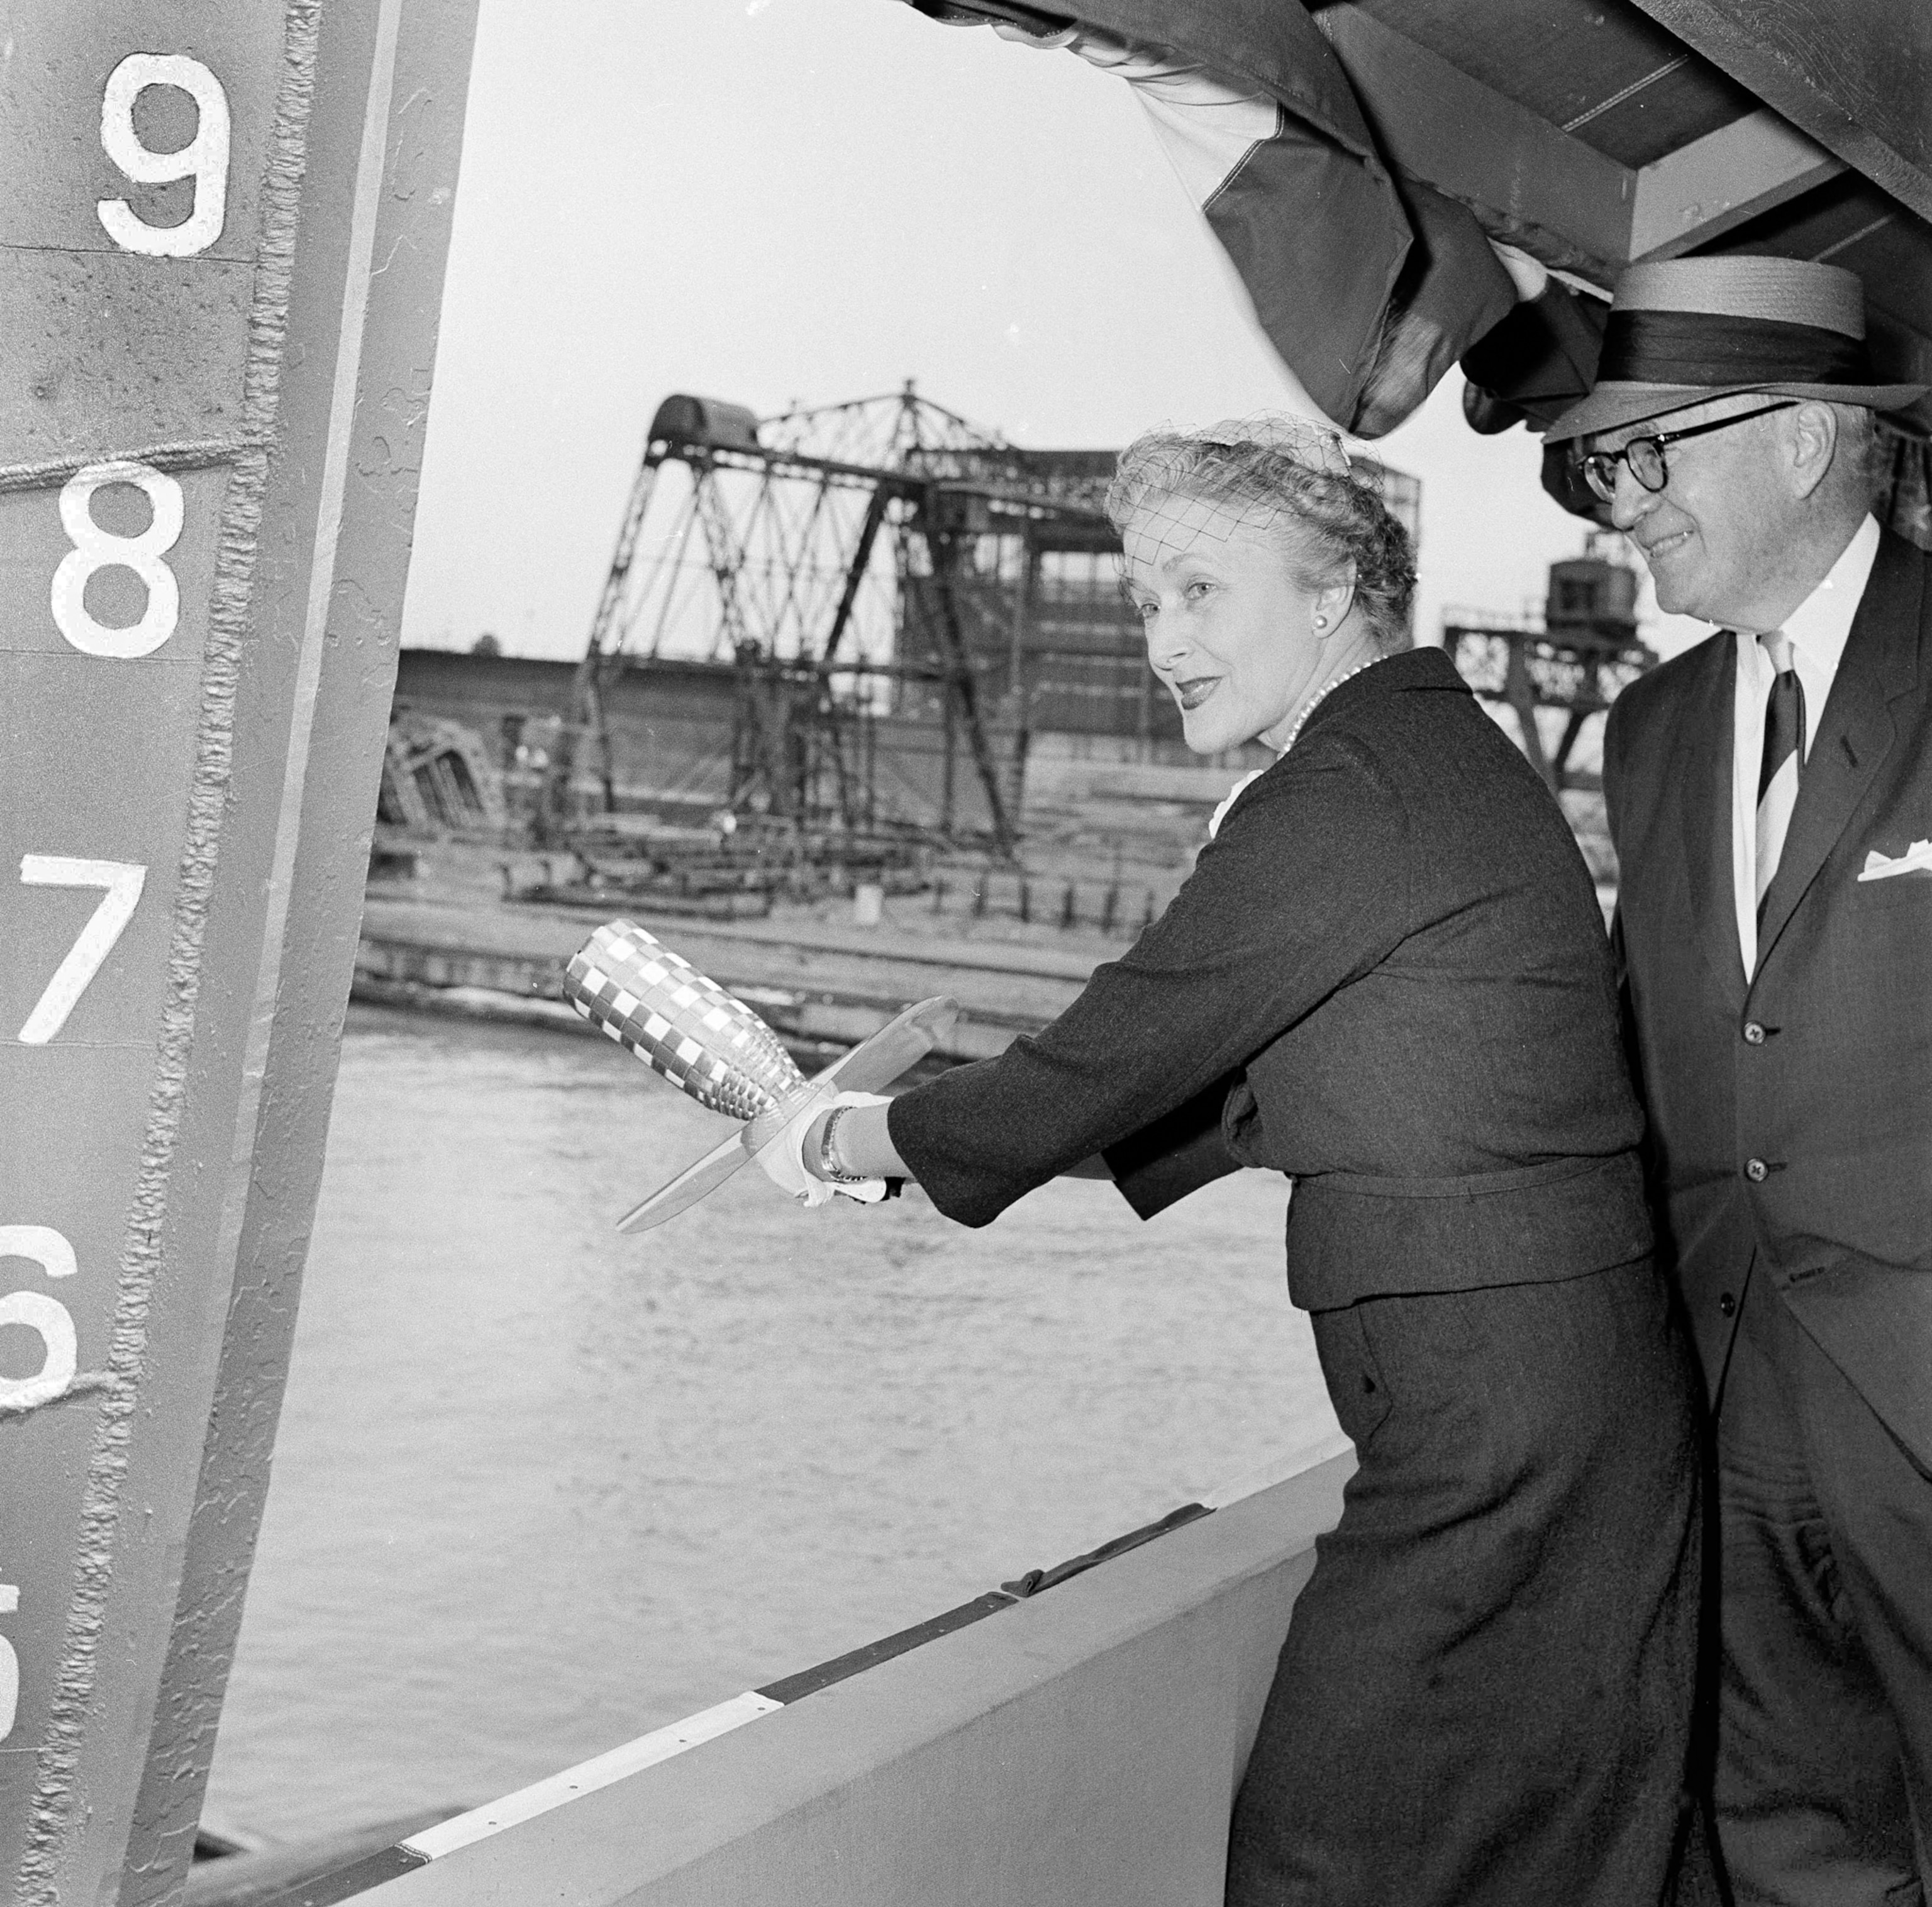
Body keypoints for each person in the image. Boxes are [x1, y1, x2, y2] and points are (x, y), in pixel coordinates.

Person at [753, 416, 1704, 1906]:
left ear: (1332, 590)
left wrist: (833, 1134)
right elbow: (1217, 1096)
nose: (1162, 642)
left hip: (1497, 1423)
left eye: (1200, 591)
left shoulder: (1352, 787)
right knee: (1525, 1851)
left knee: (1322, 1853)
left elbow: (1117, 1050)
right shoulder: (1421, 752)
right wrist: (921, 1147)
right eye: (1147, 600)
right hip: (1543, 1392)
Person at [1546, 253, 1932, 1906]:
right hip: (1729, 1391)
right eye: (1608, 463)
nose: (1623, 500)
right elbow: (1636, 1044)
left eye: (1654, 451)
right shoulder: (1650, 728)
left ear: (1802, 437)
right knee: (1784, 1839)